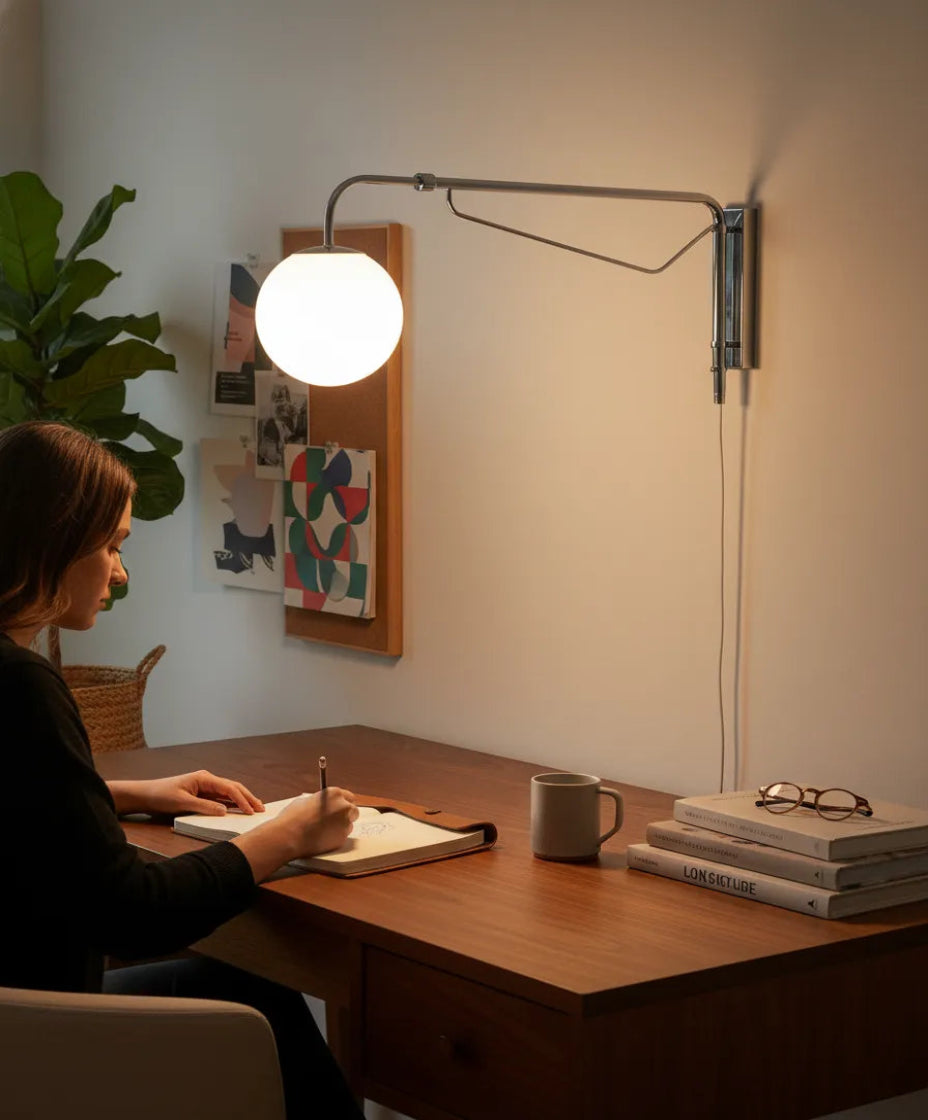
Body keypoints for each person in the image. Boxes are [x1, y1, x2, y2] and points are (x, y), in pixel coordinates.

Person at [0, 421, 364, 1119]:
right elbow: (129, 913)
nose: (120, 571)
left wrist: (117, 793)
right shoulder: (22, 686)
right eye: (111, 545)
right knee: (258, 1000)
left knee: (251, 989)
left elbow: (15, 803)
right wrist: (283, 836)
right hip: (36, 1053)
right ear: (54, 538)